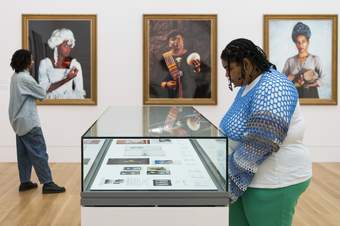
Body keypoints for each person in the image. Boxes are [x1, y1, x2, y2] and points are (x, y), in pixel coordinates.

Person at [219, 38, 312, 226]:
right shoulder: (250, 84)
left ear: (246, 64)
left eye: (229, 69)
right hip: (249, 179)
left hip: (274, 182)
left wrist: (230, 177)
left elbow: (261, 141)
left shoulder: (274, 86)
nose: (227, 75)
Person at [9, 49, 66, 194]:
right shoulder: (25, 79)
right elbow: (42, 93)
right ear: (26, 62)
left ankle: (25, 182)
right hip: (29, 122)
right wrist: (64, 79)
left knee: (24, 155)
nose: (33, 62)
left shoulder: (15, 77)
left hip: (17, 121)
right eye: (31, 60)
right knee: (39, 152)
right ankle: (48, 183)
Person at [38, 28, 86, 99]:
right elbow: (43, 89)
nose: (68, 49)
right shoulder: (45, 63)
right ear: (57, 45)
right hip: (49, 103)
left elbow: (79, 92)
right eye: (65, 46)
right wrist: (66, 79)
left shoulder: (74, 64)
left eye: (70, 46)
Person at [156, 30, 203, 98]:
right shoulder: (164, 59)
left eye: (178, 39)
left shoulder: (192, 56)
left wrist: (197, 69)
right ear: (168, 44)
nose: (176, 42)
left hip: (190, 95)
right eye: (173, 39)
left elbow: (199, 79)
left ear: (183, 41)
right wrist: (166, 84)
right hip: (171, 96)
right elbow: (156, 80)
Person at [282, 22, 323, 98]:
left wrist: (308, 84)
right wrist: (294, 80)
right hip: (294, 97)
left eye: (303, 42)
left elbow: (321, 80)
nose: (300, 45)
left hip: (312, 96)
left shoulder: (315, 59)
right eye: (298, 42)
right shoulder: (290, 61)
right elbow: (282, 81)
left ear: (308, 42)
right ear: (295, 43)